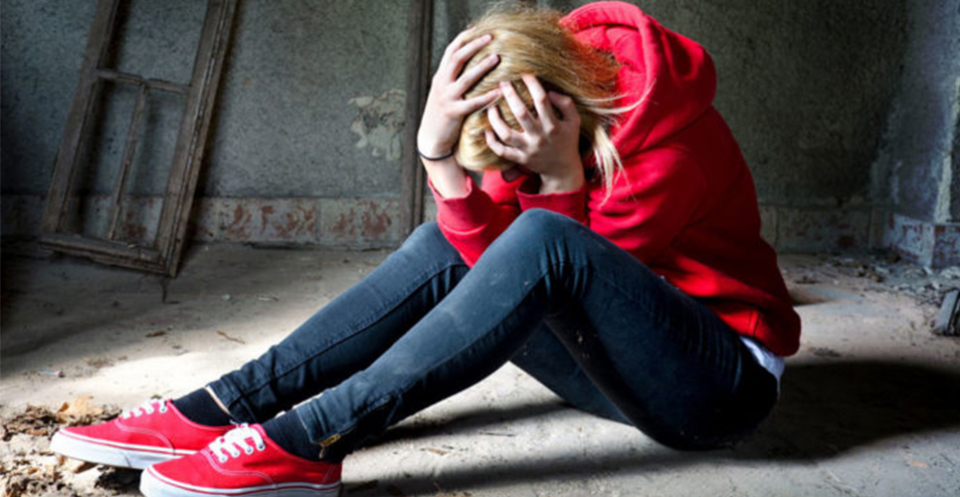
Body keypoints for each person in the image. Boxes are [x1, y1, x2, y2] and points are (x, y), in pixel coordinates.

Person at [50, 2, 801, 496]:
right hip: (611, 370)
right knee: (447, 235)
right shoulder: (535, 99)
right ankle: (220, 407)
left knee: (543, 237)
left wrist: (560, 179)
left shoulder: (670, 152)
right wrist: (436, 153)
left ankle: (309, 440)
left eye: (513, 162)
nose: (506, 173)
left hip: (712, 388)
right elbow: (486, 261)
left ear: (559, 112)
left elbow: (558, 264)